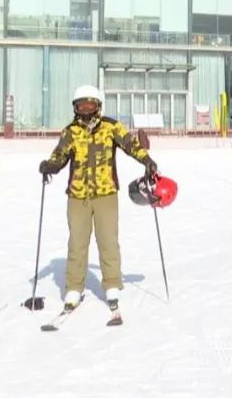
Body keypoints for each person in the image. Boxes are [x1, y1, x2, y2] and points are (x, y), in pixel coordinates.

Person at [39, 85, 157, 313]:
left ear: (98, 106)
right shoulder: (70, 131)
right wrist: (51, 166)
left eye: (89, 105)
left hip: (106, 194)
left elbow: (131, 146)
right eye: (80, 106)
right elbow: (60, 155)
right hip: (78, 195)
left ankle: (111, 284)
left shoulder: (111, 127)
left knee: (108, 241)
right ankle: (74, 287)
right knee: (77, 243)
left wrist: (147, 161)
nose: (85, 110)